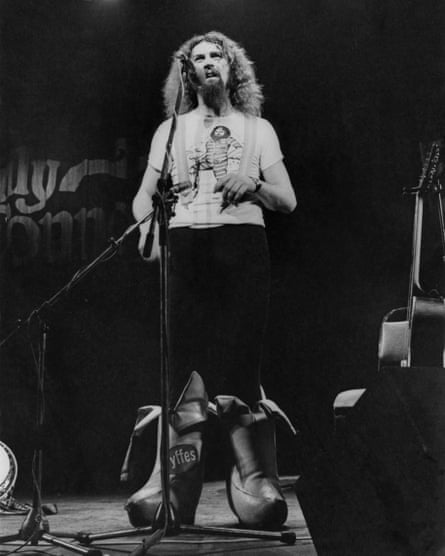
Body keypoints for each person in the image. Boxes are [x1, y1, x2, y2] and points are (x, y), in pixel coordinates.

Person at [126, 31, 297, 530]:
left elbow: (286, 200)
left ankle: (254, 475)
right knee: (181, 368)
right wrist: (148, 230)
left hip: (241, 244)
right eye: (197, 58)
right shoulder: (171, 130)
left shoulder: (257, 128)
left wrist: (256, 184)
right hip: (186, 244)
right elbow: (143, 196)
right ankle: (174, 481)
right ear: (188, 73)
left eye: (215, 55)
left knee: (241, 358)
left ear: (232, 65)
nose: (207, 63)